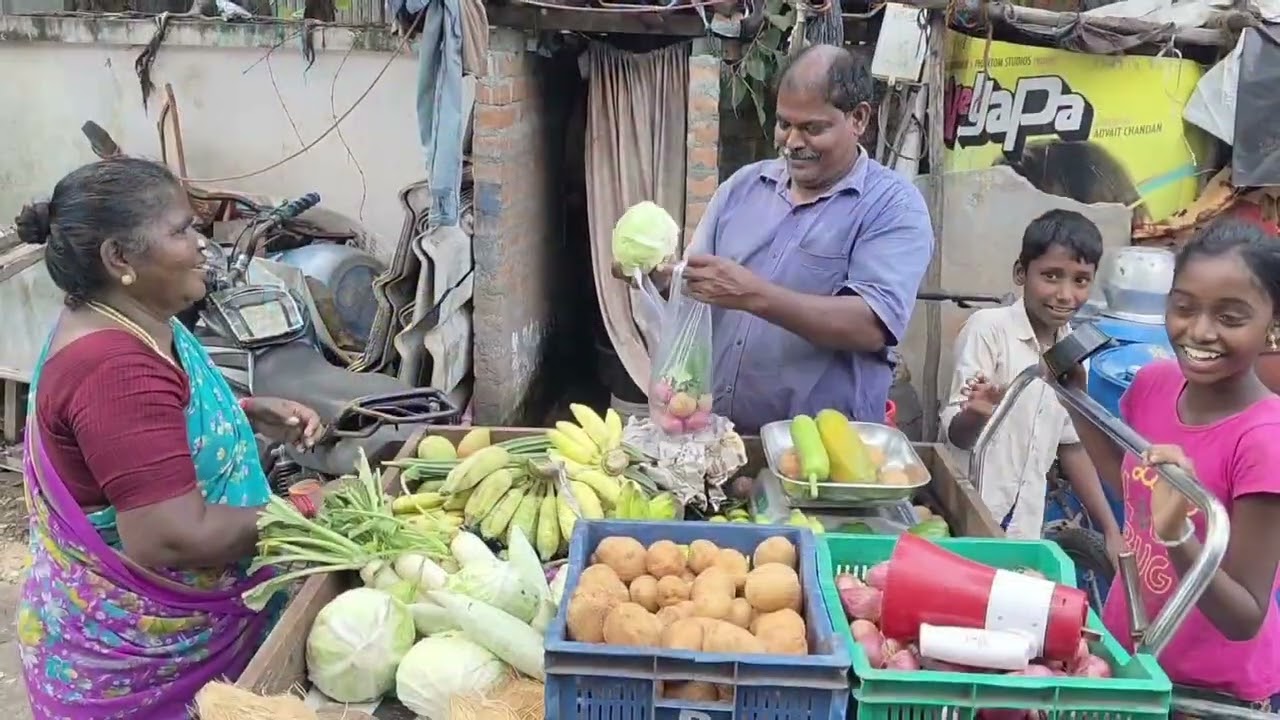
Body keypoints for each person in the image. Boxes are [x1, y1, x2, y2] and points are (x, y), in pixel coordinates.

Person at [13, 157, 325, 719]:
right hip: (145, 666)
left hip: (174, 633)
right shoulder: (113, 370)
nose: (203, 244)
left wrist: (242, 414)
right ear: (119, 257)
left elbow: (139, 433)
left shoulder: (128, 318)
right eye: (182, 230)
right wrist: (308, 511)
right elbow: (170, 536)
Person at [626, 44, 933, 434]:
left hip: (821, 449)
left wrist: (751, 294)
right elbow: (695, 284)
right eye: (784, 124)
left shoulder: (893, 206)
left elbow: (871, 325)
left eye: (812, 128)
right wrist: (654, 273)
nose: (792, 141)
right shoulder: (743, 187)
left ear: (858, 118)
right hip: (720, 437)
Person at [1068, 219, 1280, 709]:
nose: (1200, 331)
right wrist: (1074, 398)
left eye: (1230, 317)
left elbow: (1243, 618)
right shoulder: (1155, 384)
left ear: (1272, 323)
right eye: (1183, 307)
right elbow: (1131, 486)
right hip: (1134, 660)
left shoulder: (1264, 441)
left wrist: (1179, 536)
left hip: (1208, 696)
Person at [939, 209, 1122, 550]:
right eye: (1051, 276)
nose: (1065, 294)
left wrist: (1111, 529)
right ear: (1021, 272)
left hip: (1024, 529)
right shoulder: (988, 330)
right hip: (968, 523)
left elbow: (1072, 445)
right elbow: (957, 436)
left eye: (1080, 280)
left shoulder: (1073, 351)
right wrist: (977, 416)